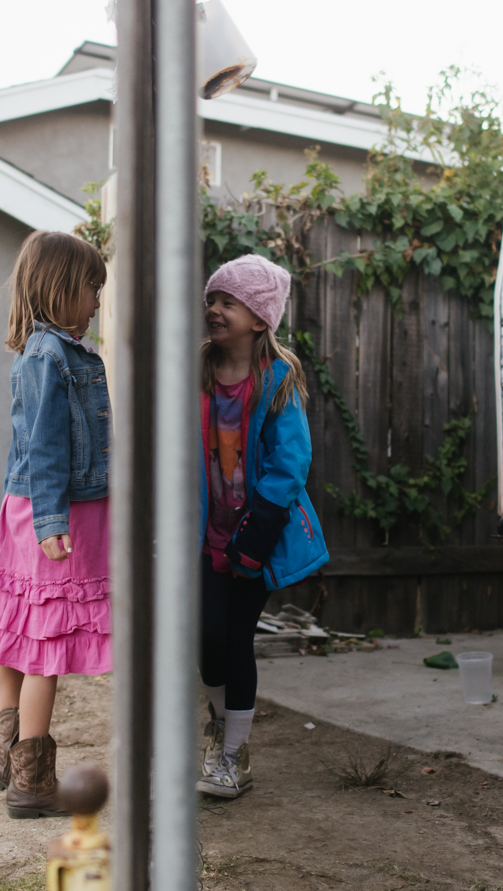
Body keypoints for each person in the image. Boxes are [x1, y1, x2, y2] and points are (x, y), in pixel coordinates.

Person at [0, 230, 111, 819]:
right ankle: (33, 777)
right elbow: (46, 443)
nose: (98, 302)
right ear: (61, 288)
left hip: (29, 504)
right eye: (92, 288)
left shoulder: (43, 351)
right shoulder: (52, 355)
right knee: (45, 643)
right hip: (59, 510)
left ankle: (6, 752)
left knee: (18, 621)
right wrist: (54, 519)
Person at [196, 253, 328, 799]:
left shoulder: (276, 380)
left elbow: (291, 463)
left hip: (254, 538)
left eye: (229, 301)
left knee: (236, 639)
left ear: (259, 318)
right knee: (206, 643)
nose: (215, 309)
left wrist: (257, 535)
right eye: (212, 299)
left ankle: (233, 756)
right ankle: (218, 727)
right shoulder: (196, 372)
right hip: (203, 538)